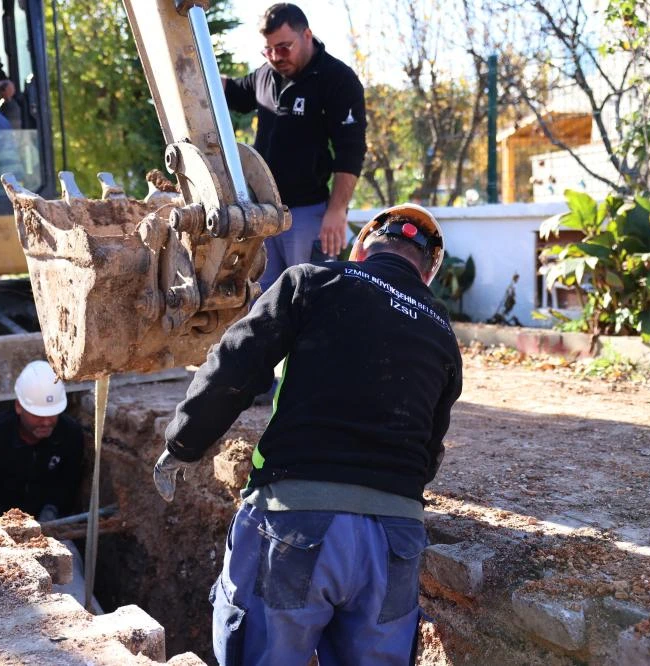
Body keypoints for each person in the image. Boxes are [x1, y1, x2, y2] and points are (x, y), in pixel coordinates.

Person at [152, 204, 463, 665]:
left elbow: (236, 364)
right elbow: (429, 450)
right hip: (395, 541)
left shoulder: (313, 282)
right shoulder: (442, 334)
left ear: (359, 249)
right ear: (429, 274)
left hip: (295, 521)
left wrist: (183, 443)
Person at [223, 3, 367, 291]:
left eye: (284, 47)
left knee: (310, 300)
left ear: (307, 36)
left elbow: (350, 151)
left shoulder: (337, 79)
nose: (276, 56)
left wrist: (337, 211)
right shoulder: (265, 74)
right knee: (261, 302)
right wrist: (190, 63)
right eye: (269, 50)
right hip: (262, 212)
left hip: (308, 215)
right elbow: (234, 94)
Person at [0, 361, 84, 522]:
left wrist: (53, 509)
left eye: (52, 414)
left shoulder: (69, 434)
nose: (46, 422)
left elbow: (70, 481)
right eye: (38, 415)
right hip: (0, 522)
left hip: (51, 522)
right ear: (19, 406)